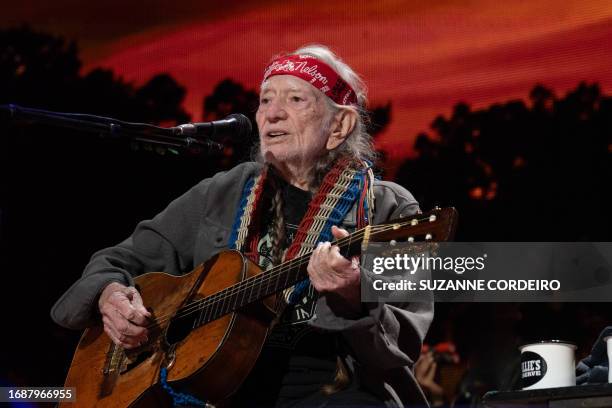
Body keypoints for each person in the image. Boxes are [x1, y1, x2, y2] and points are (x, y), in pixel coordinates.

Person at [51, 44, 433, 407]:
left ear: (340, 125)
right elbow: (115, 260)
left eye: (295, 100)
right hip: (213, 391)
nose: (272, 113)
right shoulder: (222, 191)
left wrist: (355, 298)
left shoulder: (389, 208)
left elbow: (400, 344)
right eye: (265, 100)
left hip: (334, 391)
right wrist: (108, 294)